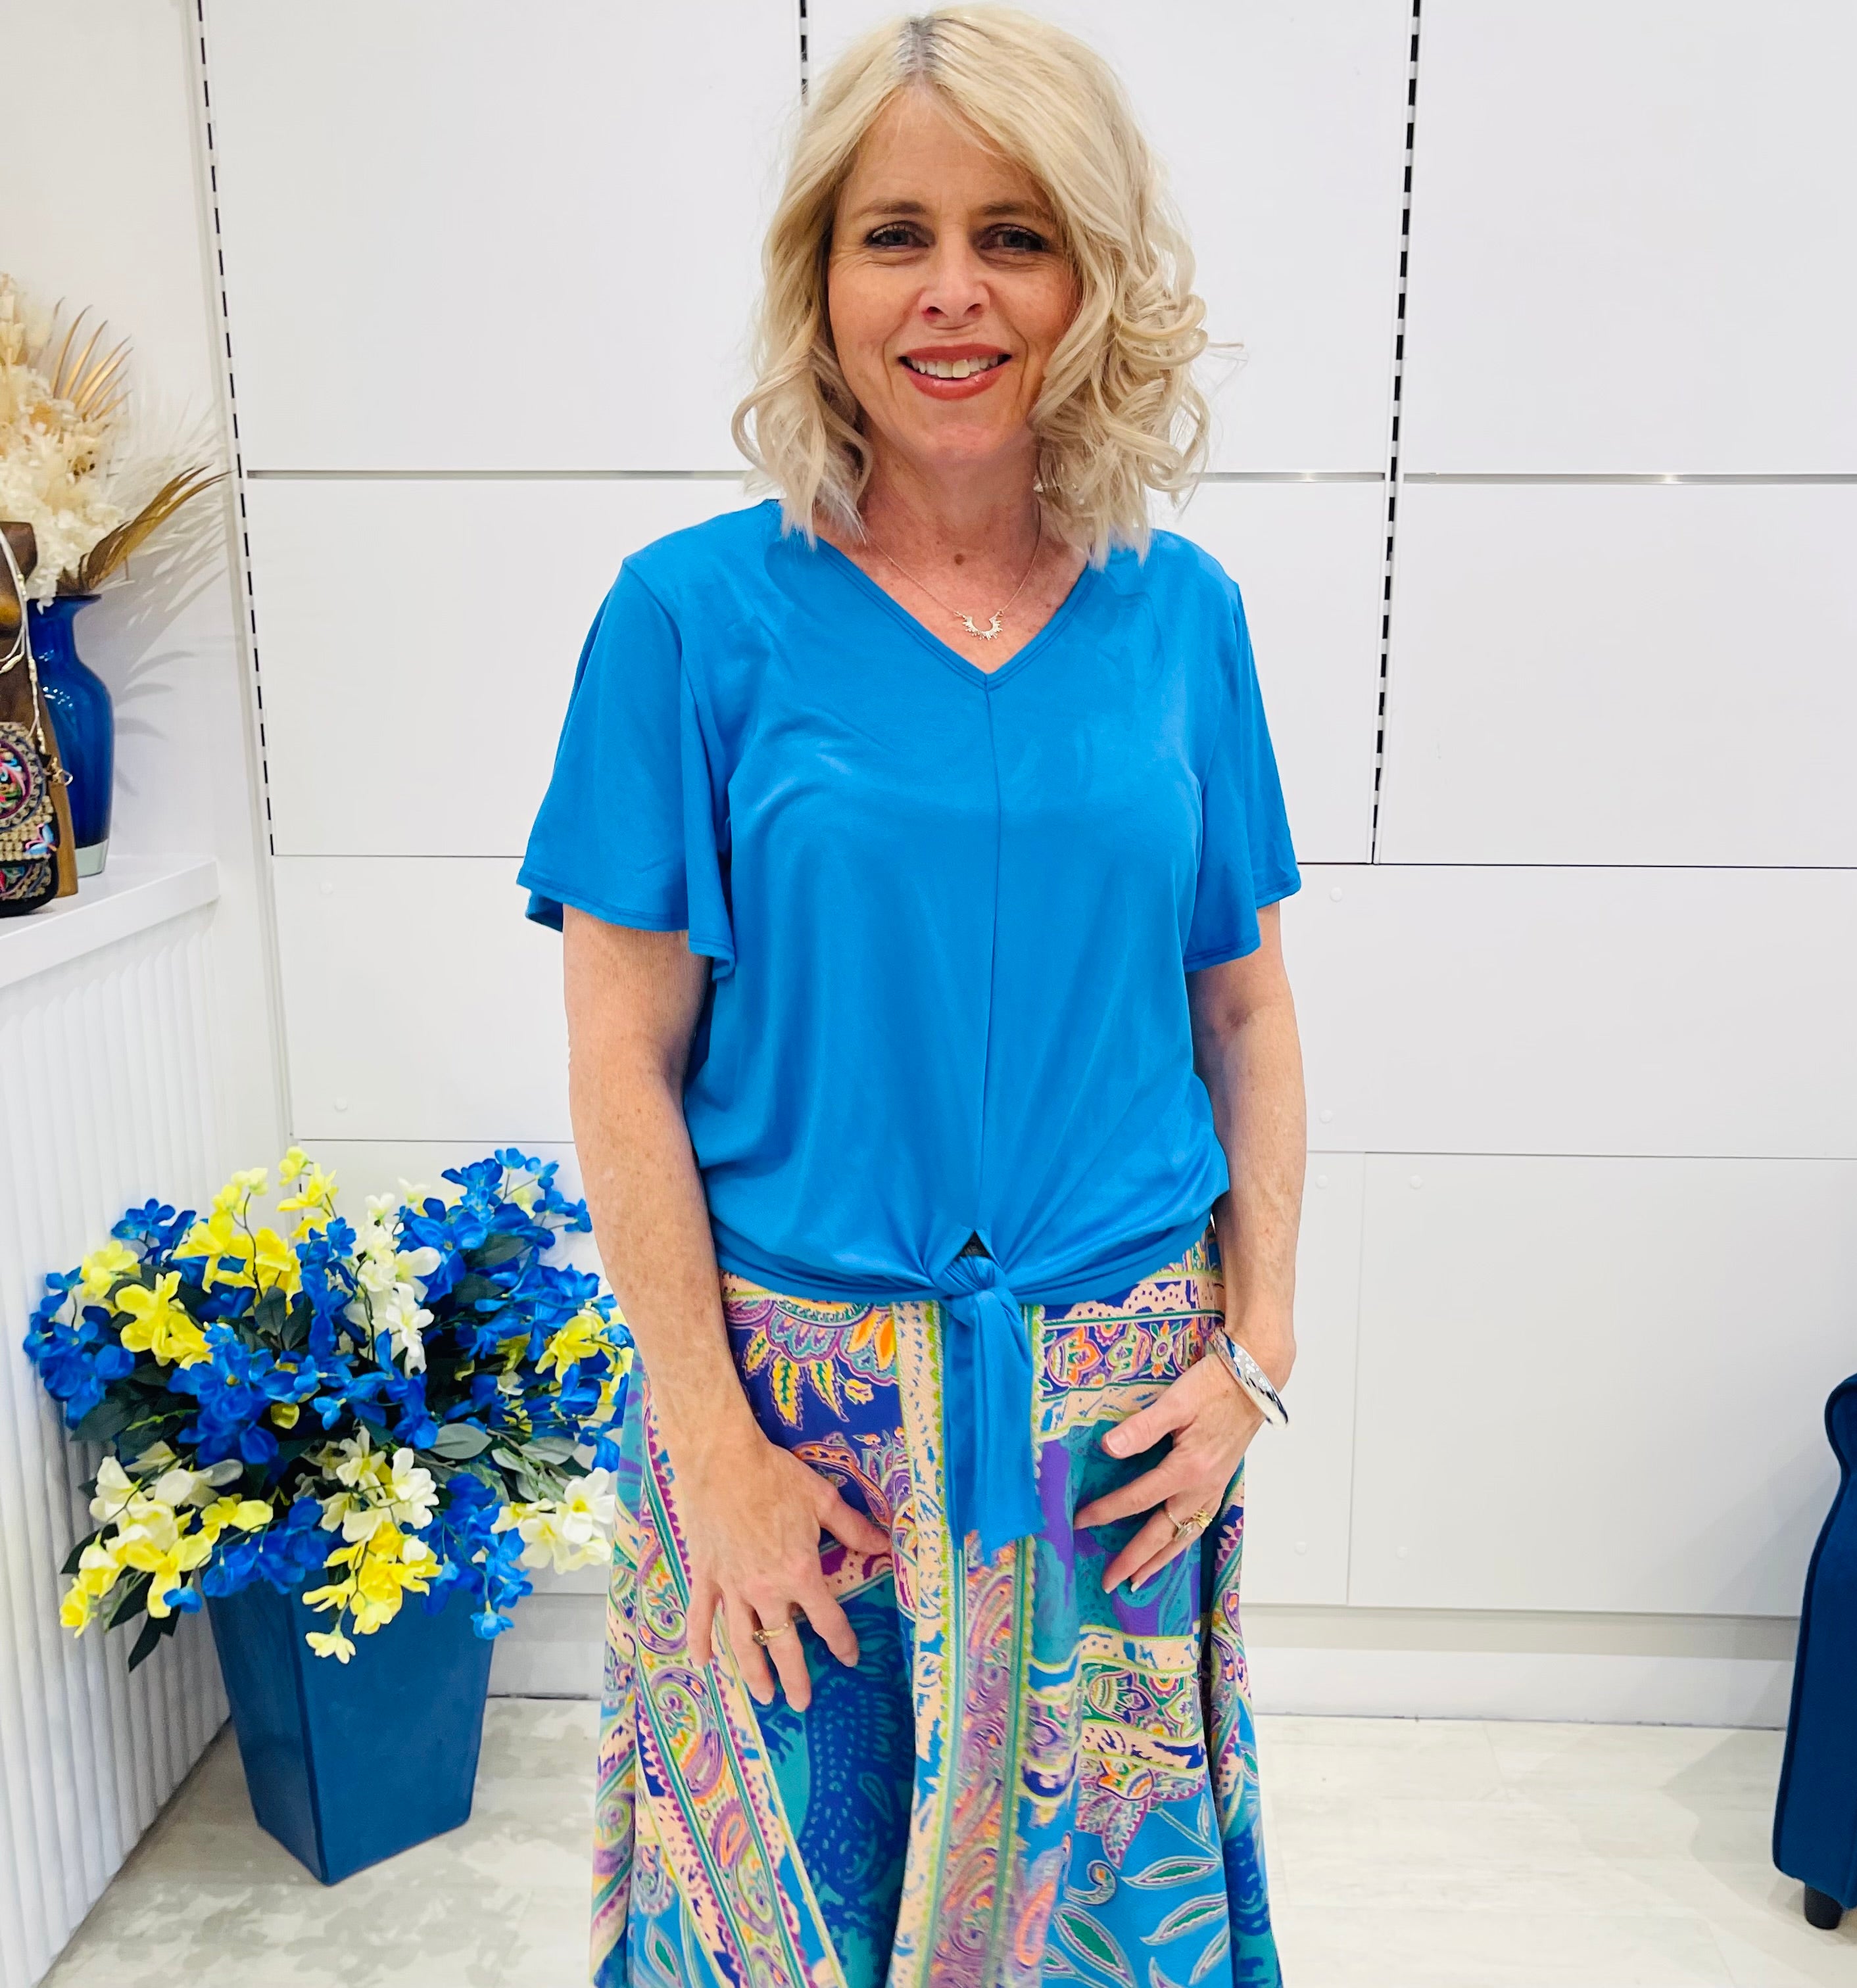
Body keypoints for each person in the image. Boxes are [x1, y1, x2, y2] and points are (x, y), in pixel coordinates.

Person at [519, 9, 1304, 1984]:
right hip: (794, 1433)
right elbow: (622, 1051)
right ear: (820, 278)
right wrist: (710, 1449)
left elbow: (1246, 1016)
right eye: (894, 235)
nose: (952, 293)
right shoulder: (686, 619)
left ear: (1091, 279)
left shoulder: (1180, 617)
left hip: (1111, 1432)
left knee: (1102, 1942)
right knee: (777, 1926)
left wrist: (1255, 1361)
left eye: (1014, 235)